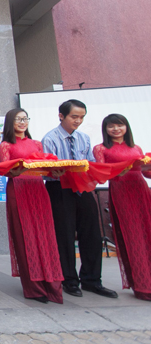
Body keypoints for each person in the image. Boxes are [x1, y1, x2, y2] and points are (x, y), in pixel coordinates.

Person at [42, 99, 118, 299]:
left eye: (81, 117)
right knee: (64, 236)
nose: (78, 121)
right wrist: (54, 171)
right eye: (74, 117)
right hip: (59, 188)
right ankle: (69, 280)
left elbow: (90, 163)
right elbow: (44, 170)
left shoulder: (84, 138)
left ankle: (92, 280)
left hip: (83, 188)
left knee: (92, 235)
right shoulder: (49, 139)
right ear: (62, 116)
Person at [0, 109, 64, 304]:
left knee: (46, 236)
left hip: (38, 189)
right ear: (10, 122)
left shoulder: (36, 143)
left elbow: (43, 167)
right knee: (25, 236)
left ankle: (52, 285)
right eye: (18, 119)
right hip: (18, 189)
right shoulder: (5, 145)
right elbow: (6, 170)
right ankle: (34, 287)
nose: (22, 122)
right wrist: (18, 169)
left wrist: (56, 172)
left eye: (25, 119)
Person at [93, 114, 151, 301]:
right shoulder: (100, 149)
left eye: (119, 125)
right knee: (133, 236)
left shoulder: (136, 148)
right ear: (105, 129)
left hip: (141, 190)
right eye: (111, 126)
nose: (116, 129)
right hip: (121, 191)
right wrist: (120, 170)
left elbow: (147, 173)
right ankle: (142, 285)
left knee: (148, 234)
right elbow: (101, 174)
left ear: (126, 127)